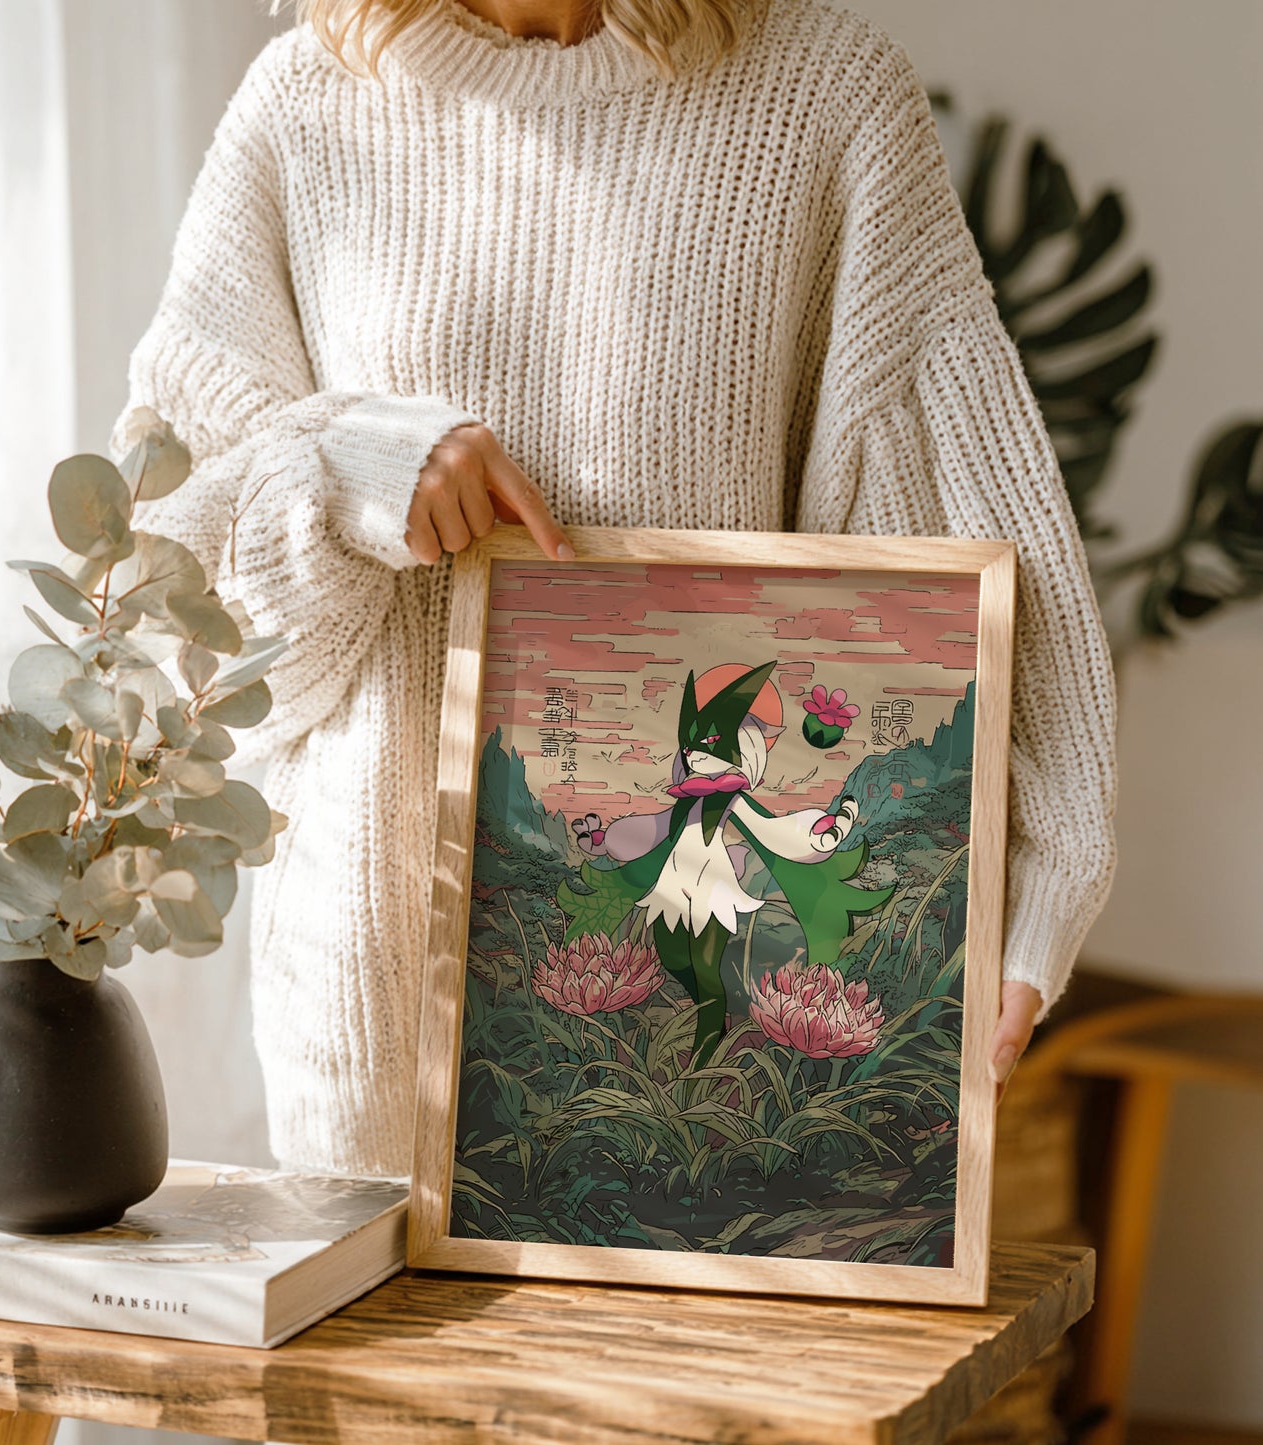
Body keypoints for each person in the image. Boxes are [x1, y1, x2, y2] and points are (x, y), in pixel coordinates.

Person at [107, 0, 1119, 1179]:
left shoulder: (823, 95)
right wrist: (345, 463)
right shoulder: (303, 106)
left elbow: (957, 519)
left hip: (715, 1021)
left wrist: (1034, 878)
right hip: (372, 1006)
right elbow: (163, 607)